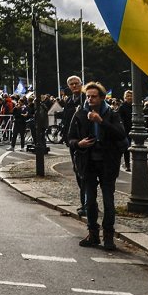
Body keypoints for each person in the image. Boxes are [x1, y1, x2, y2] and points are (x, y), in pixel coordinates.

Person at [66, 81, 128, 251]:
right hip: (88, 163)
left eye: (94, 96)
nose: (90, 99)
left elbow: (120, 134)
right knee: (90, 201)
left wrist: (101, 122)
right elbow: (69, 139)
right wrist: (79, 144)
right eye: (88, 96)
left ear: (102, 97)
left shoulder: (112, 114)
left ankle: (108, 235)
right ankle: (93, 233)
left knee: (108, 201)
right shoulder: (79, 114)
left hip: (108, 163)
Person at [62, 76, 88, 214]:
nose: (74, 86)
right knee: (77, 171)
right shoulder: (69, 101)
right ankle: (85, 201)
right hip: (73, 142)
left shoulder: (86, 99)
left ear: (81, 84)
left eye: (76, 83)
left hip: (85, 140)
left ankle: (86, 203)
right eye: (71, 84)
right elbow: (66, 121)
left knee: (84, 172)